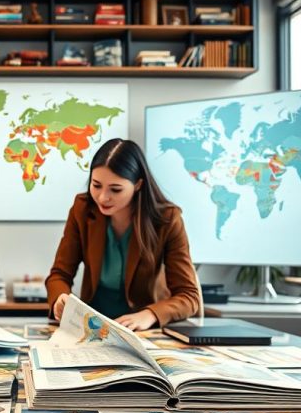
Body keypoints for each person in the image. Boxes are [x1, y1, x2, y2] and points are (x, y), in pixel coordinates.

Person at [47, 138, 201, 330]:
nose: (103, 197)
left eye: (115, 189)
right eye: (96, 185)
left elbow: (189, 296)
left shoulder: (167, 219)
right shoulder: (82, 209)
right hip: (93, 328)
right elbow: (59, 274)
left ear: (138, 184)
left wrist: (150, 315)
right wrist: (60, 297)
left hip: (144, 329)